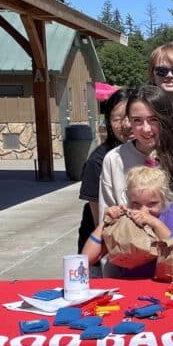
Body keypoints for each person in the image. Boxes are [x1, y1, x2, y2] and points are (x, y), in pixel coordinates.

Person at [99, 86, 173, 215]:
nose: (146, 129)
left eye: (153, 119)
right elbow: (106, 217)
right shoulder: (114, 159)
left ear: (166, 119)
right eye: (137, 120)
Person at [83, 166, 173, 278]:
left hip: (163, 280)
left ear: (164, 200)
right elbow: (86, 259)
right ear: (128, 200)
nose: (143, 211)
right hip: (129, 281)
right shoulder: (126, 217)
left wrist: (155, 223)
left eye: (152, 204)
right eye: (136, 203)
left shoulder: (169, 210)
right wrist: (105, 223)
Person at [77, 89, 130, 254]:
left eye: (131, 116)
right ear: (108, 122)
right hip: (102, 245)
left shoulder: (149, 154)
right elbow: (98, 218)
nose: (126, 124)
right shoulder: (98, 161)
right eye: (117, 119)